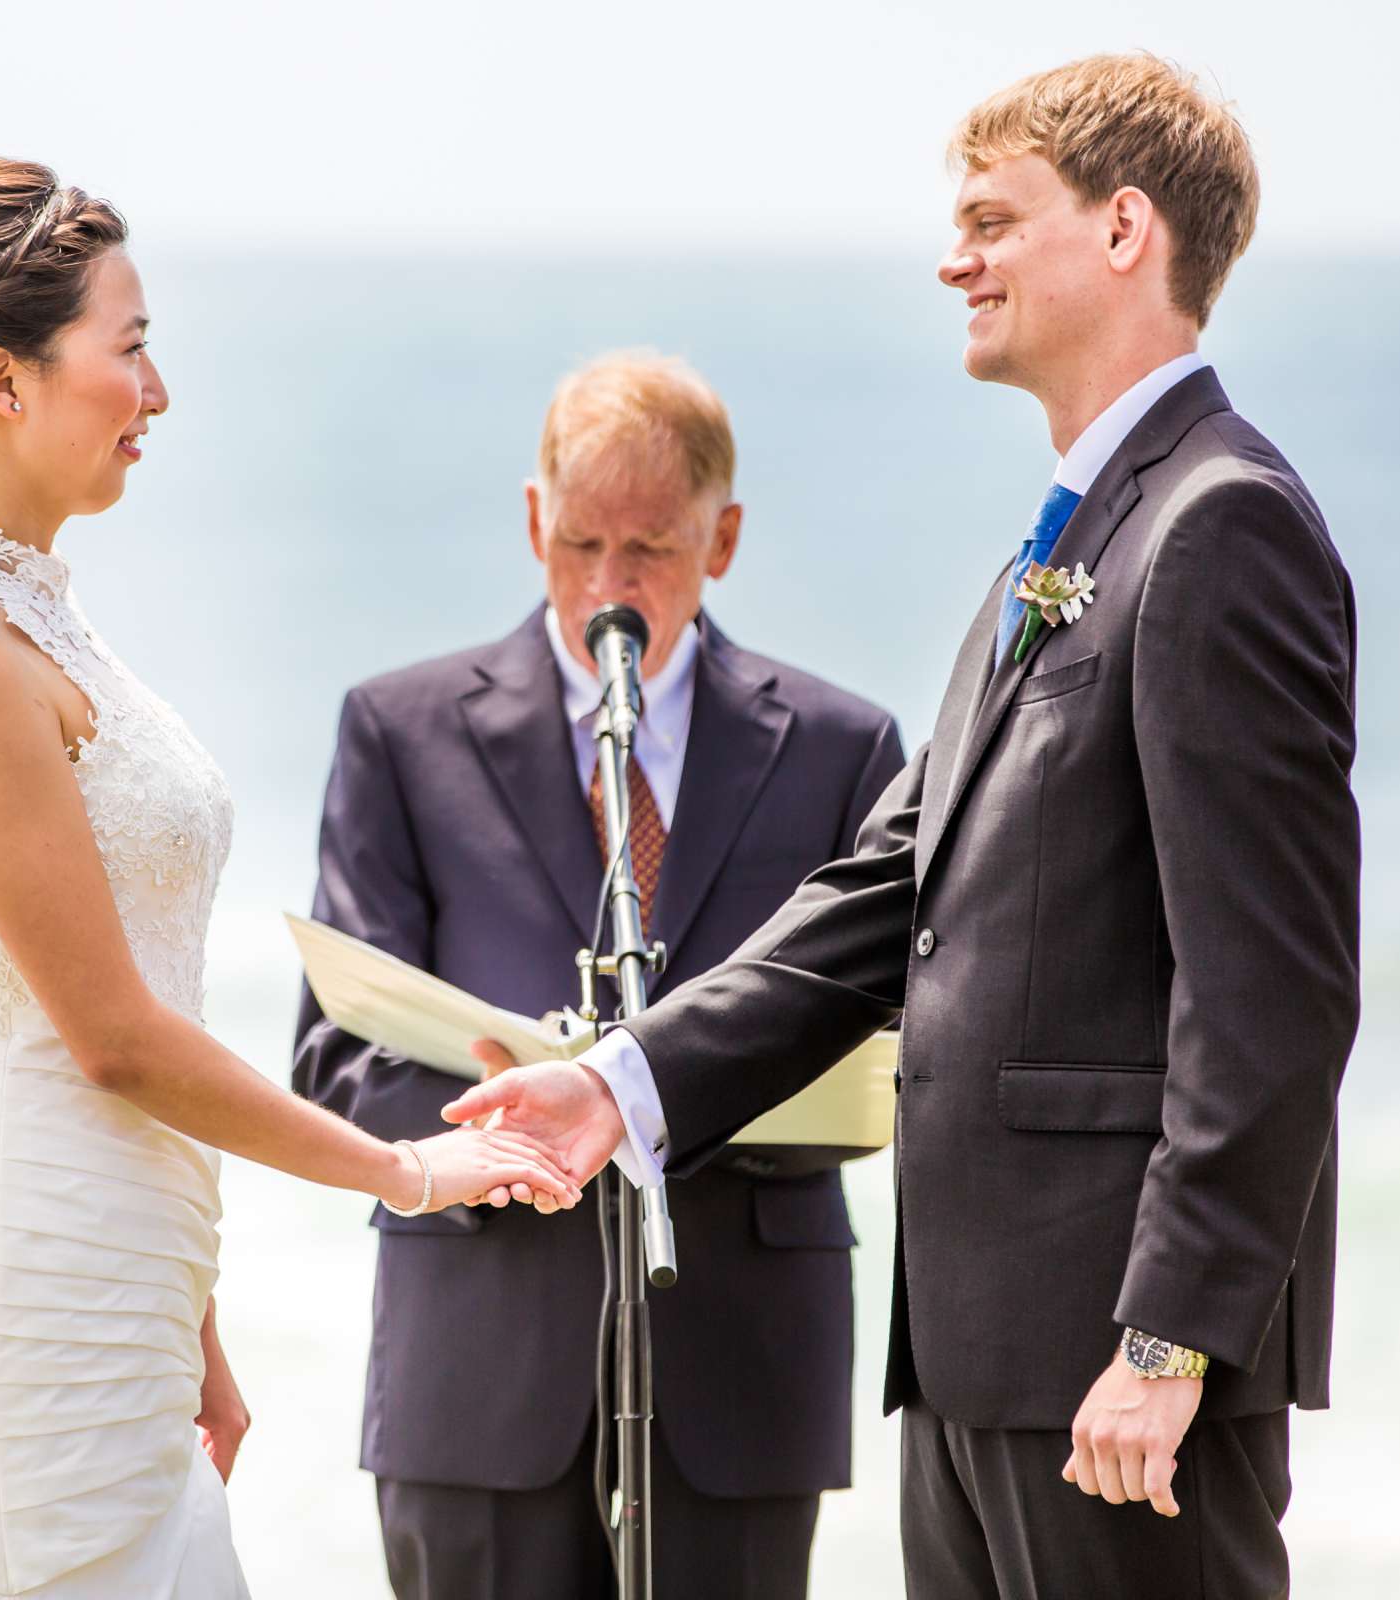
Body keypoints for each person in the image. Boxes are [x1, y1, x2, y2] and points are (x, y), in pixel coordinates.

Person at [451, 55, 1359, 1600]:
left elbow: (1272, 990)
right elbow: (893, 891)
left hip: (1111, 1370)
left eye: (995, 221)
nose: (957, 259)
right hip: (971, 1354)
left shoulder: (1220, 524)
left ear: (1125, 229)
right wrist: (626, 1084)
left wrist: (1171, 1334)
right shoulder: (1067, 539)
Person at [0, 155, 579, 1600]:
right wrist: (409, 1170)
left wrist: (197, 1327)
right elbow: (106, 1035)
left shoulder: (38, 621)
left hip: (123, 1280)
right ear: (1, 381)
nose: (158, 394)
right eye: (132, 349)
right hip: (29, 1288)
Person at [294, 351, 907, 1599]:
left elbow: (883, 1063)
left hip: (737, 1370)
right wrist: (505, 1128)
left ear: (722, 539)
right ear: (533, 519)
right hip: (478, 1365)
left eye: (651, 552)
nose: (606, 589)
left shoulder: (846, 749)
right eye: (578, 544)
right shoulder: (400, 731)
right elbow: (333, 1058)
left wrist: (649, 1091)